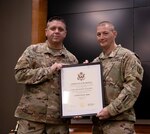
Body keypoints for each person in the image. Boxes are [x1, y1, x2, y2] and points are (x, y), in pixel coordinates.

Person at [14, 16, 78, 134]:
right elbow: (19, 75)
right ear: (46, 32)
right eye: (53, 28)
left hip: (58, 121)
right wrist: (49, 70)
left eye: (60, 29)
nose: (57, 31)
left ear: (65, 33)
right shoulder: (32, 51)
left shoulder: (72, 59)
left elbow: (73, 90)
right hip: (31, 118)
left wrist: (77, 107)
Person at [88, 21, 144, 134]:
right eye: (98, 34)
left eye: (105, 33)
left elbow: (132, 89)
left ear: (114, 34)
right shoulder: (96, 62)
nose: (101, 37)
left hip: (119, 124)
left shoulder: (128, 57)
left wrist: (110, 110)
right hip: (98, 124)